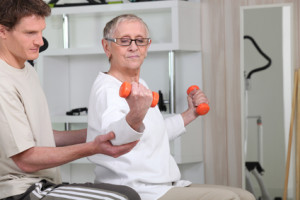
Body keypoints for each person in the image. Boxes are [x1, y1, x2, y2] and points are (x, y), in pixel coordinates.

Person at [87, 14, 256, 200]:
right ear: (106, 46)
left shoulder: (139, 83)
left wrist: (189, 114)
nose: (134, 47)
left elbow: (153, 134)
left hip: (161, 184)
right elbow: (112, 142)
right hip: (135, 189)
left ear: (147, 46)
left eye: (140, 40)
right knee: (231, 199)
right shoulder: (107, 90)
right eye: (124, 41)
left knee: (245, 195)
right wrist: (136, 114)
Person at [0, 1, 141, 200]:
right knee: (122, 198)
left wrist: (101, 132)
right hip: (19, 189)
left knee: (127, 193)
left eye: (41, 32)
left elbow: (45, 137)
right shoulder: (3, 82)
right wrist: (93, 147)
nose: (40, 41)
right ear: (3, 31)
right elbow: (26, 160)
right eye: (30, 33)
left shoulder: (27, 70)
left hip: (42, 182)